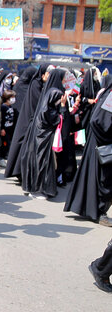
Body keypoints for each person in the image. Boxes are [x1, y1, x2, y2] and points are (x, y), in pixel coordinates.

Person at [64, 75, 112, 225]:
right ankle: (99, 211)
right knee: (103, 180)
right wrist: (106, 140)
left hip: (101, 143)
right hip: (102, 144)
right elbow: (98, 120)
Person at [20, 73, 66, 200]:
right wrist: (62, 109)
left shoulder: (48, 97)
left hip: (42, 137)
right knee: (41, 162)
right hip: (43, 138)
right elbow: (54, 117)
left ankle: (37, 188)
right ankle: (37, 189)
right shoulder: (52, 100)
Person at [5, 64, 53, 180]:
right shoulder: (35, 85)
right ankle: (18, 171)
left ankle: (19, 171)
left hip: (23, 119)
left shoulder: (32, 85)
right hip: (26, 120)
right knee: (21, 145)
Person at [0, 90, 17, 164]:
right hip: (4, 129)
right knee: (3, 144)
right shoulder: (3, 107)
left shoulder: (10, 106)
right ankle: (0, 158)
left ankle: (4, 156)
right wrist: (2, 128)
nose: (13, 99)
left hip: (9, 129)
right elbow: (1, 118)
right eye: (12, 97)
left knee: (7, 144)